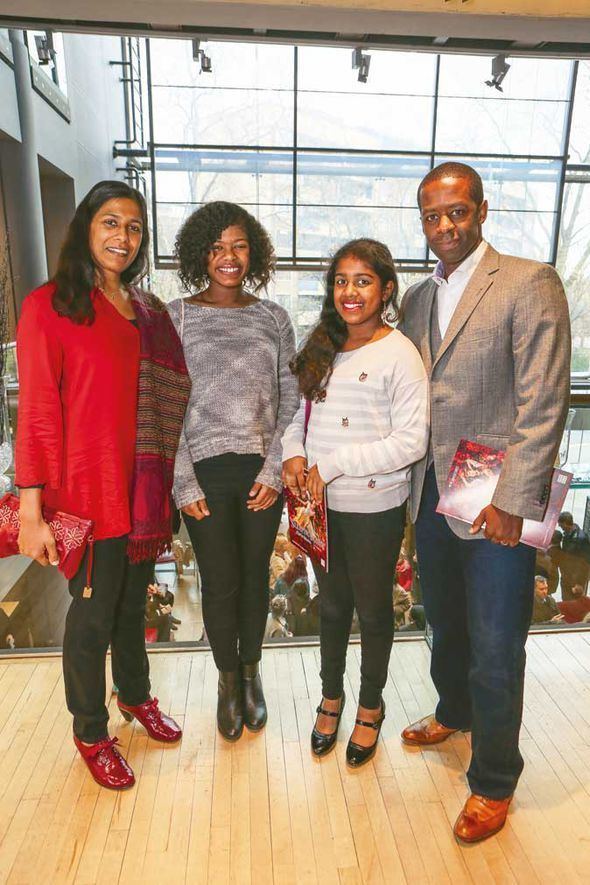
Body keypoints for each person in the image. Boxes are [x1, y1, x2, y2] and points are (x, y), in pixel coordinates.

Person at [398, 162, 571, 842]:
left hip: (496, 492)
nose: (445, 225)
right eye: (433, 216)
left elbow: (543, 401)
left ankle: (493, 779)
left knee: (498, 641)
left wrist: (515, 500)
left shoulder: (529, 281)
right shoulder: (416, 297)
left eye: (457, 212)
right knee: (444, 621)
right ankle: (455, 710)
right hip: (433, 490)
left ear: (482, 210)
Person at [15, 181, 190, 790]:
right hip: (86, 494)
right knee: (90, 618)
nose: (123, 236)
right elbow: (36, 410)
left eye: (134, 227)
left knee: (129, 605)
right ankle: (90, 730)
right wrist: (32, 513)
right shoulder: (50, 305)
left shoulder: (145, 310)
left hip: (139, 494)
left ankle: (135, 696)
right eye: (111, 222)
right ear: (87, 227)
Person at [282, 238, 429, 767]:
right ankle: (330, 698)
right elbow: (295, 416)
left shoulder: (400, 352)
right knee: (331, 606)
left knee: (371, 611)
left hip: (373, 508)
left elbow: (412, 441)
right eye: (341, 281)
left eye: (363, 281)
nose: (350, 291)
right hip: (316, 506)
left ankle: (370, 706)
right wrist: (293, 454)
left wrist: (335, 464)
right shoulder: (321, 343)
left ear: (386, 289)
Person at [168, 201, 299, 742]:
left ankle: (251, 676)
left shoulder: (274, 318)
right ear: (202, 252)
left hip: (259, 474)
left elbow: (292, 400)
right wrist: (182, 480)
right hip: (201, 472)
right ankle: (226, 679)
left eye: (239, 245)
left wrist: (273, 471)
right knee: (219, 583)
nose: (229, 256)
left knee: (253, 582)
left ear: (255, 251)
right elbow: (162, 402)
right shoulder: (175, 316)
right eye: (218, 246)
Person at [557, 512, 590, 600]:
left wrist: (579, 583)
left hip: (575, 580)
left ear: (565, 523)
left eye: (561, 525)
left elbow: (586, 562)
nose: (561, 527)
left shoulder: (581, 538)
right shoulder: (567, 535)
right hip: (566, 577)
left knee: (574, 606)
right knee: (566, 604)